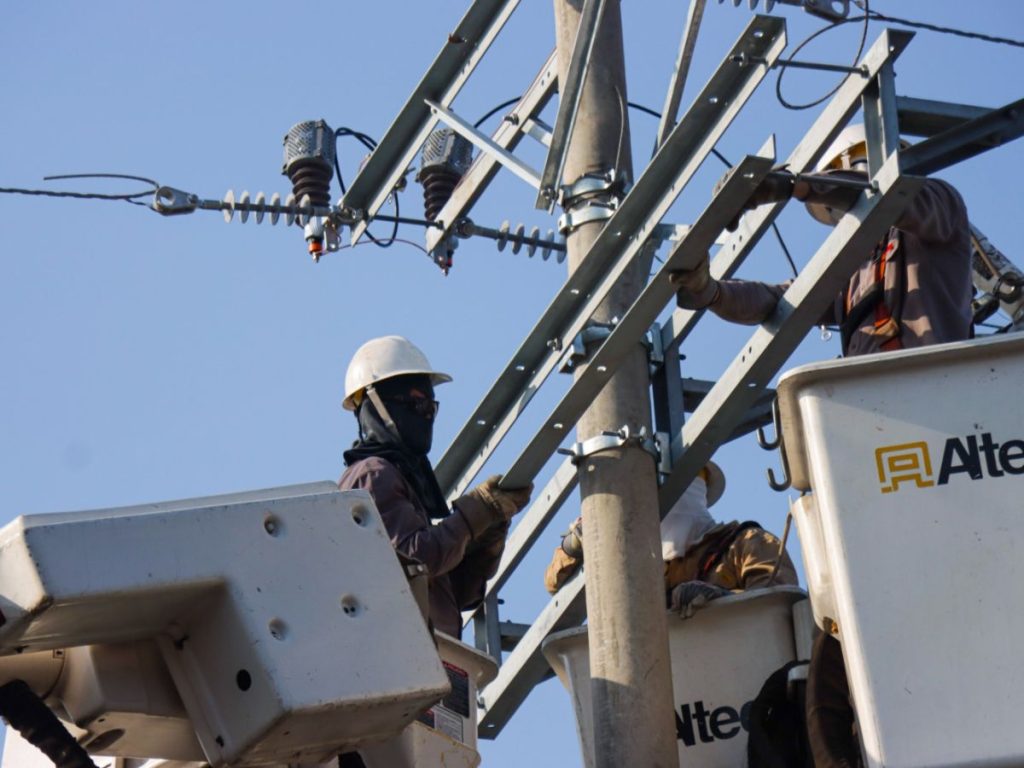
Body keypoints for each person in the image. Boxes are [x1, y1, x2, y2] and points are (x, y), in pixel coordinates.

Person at [671, 125, 973, 768]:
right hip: (874, 447)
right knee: (839, 633)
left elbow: (898, 198)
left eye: (840, 203)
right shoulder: (855, 273)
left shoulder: (937, 213)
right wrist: (710, 293)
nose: (839, 221)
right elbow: (782, 300)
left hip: (940, 428)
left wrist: (791, 186)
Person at [338, 335, 533, 639]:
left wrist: (482, 539)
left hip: (431, 658)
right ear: (376, 406)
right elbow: (415, 561)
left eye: (431, 407)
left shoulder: (402, 484)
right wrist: (477, 511)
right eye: (416, 403)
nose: (426, 415)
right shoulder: (372, 476)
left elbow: (453, 594)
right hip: (399, 656)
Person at [543, 461, 798, 616]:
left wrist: (721, 599)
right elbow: (554, 583)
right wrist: (577, 544)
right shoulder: (643, 568)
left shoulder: (747, 544)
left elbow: (776, 606)